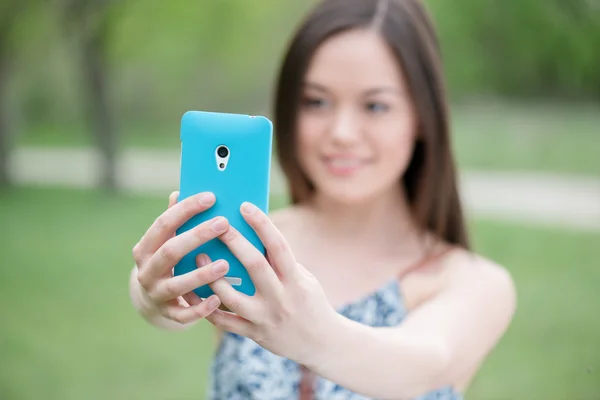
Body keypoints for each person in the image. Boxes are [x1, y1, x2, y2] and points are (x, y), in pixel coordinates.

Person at [129, 0, 517, 398]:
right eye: (316, 101)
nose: (342, 132)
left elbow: (427, 362)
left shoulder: (470, 282)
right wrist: (152, 295)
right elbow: (163, 300)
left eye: (375, 105)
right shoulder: (247, 244)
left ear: (421, 116)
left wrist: (313, 336)